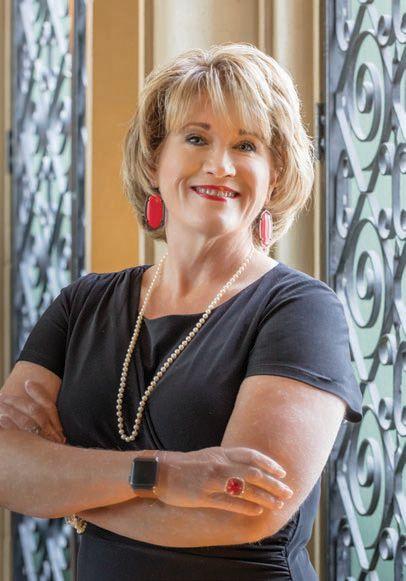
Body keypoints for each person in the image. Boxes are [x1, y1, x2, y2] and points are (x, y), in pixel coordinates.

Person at [0, 42, 363, 580]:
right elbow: (7, 469)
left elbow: (246, 510)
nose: (220, 165)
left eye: (246, 145)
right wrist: (164, 476)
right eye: (196, 138)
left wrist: (65, 490)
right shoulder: (82, 304)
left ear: (275, 175)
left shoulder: (301, 310)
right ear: (154, 160)